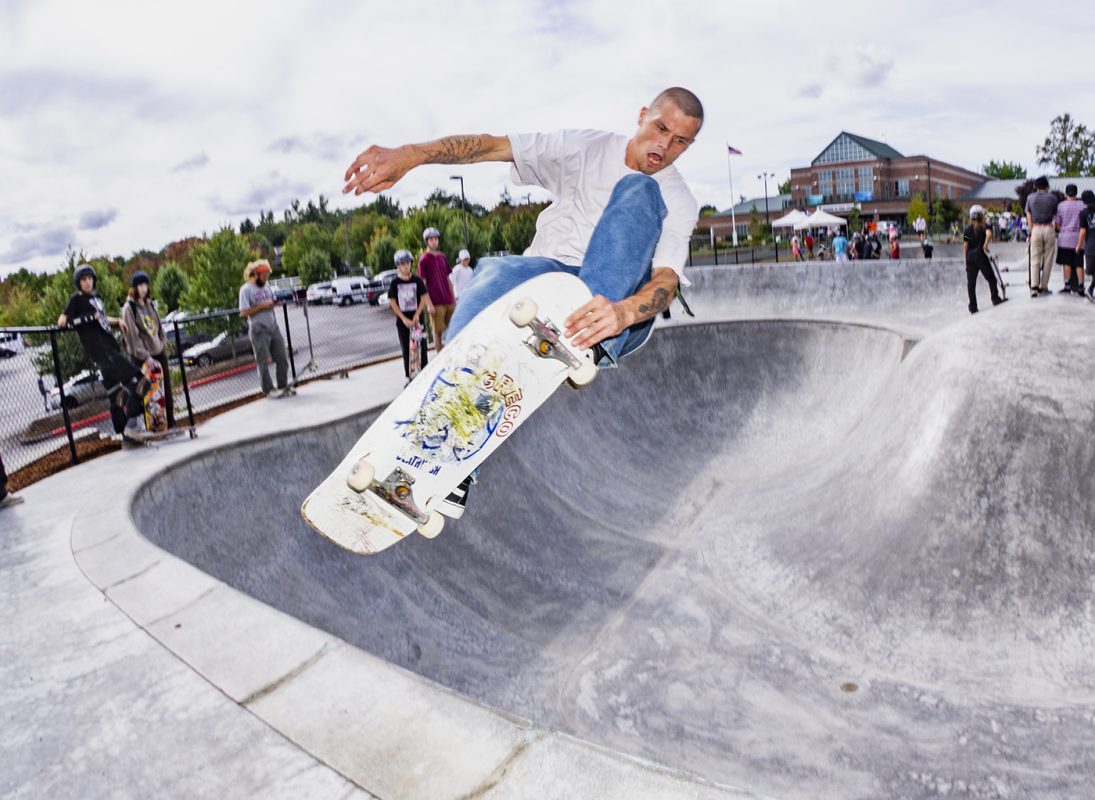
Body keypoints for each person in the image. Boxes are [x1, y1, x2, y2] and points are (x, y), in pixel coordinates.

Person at [343, 86, 703, 513]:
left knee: (641, 189)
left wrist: (623, 312)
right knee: (493, 274)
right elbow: (493, 146)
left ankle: (586, 342)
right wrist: (411, 155)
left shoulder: (678, 199)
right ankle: (451, 455)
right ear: (642, 115)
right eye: (660, 129)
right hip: (549, 281)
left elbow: (666, 280)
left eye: (680, 141)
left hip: (616, 310)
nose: (664, 146)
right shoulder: (584, 147)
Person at [56, 264, 147, 439]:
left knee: (117, 395)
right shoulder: (76, 300)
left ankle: (123, 435)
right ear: (78, 283)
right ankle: (132, 426)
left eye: (90, 279)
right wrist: (89, 317)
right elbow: (61, 322)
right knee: (142, 382)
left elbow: (101, 318)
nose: (88, 282)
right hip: (102, 353)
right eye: (84, 280)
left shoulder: (96, 298)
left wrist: (117, 321)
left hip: (110, 348)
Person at [121, 271, 175, 428]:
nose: (143, 288)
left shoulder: (150, 305)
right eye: (140, 285)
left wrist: (162, 344)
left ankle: (169, 422)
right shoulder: (129, 308)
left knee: (166, 390)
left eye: (145, 285)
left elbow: (159, 328)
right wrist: (146, 357)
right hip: (142, 358)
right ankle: (150, 426)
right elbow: (132, 336)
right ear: (134, 288)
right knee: (147, 393)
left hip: (158, 353)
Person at [239, 259, 294, 398]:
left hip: (273, 327)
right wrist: (261, 306)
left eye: (267, 276)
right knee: (262, 362)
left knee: (282, 358)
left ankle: (283, 386)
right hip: (259, 329)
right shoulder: (246, 289)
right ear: (256, 274)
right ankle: (269, 390)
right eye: (264, 276)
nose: (266, 279)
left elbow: (269, 301)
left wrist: (272, 304)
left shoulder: (267, 286)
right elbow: (243, 312)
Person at [388, 249, 429, 384]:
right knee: (407, 348)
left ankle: (424, 372)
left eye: (408, 263)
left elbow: (423, 298)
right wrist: (403, 318)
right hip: (403, 322)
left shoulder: (417, 280)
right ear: (398, 266)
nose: (406, 266)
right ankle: (409, 376)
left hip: (417, 321)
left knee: (421, 347)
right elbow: (393, 302)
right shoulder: (395, 283)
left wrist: (417, 314)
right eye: (403, 264)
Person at [418, 227, 455, 353]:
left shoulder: (442, 256)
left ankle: (453, 353)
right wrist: (429, 304)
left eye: (435, 239)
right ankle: (440, 355)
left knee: (453, 328)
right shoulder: (424, 259)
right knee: (438, 331)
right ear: (426, 241)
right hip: (436, 302)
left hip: (448, 299)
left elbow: (448, 279)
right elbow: (423, 284)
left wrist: (453, 297)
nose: (434, 241)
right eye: (431, 239)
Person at [963, 205, 1005, 314]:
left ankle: (973, 307)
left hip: (970, 258)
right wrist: (985, 245)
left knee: (971, 284)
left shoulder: (967, 229)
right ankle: (995, 299)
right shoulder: (983, 226)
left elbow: (965, 245)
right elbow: (989, 234)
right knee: (991, 278)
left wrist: (965, 259)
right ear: (980, 216)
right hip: (980, 256)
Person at [1025, 176, 1059, 297]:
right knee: (1048, 259)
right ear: (1047, 186)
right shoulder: (1053, 198)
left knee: (1035, 258)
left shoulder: (1030, 198)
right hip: (1049, 228)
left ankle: (1034, 286)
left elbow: (1029, 215)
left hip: (1036, 228)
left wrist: (1031, 230)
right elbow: (1055, 215)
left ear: (1036, 186)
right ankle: (1044, 286)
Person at [1054, 183, 1085, 294]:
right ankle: (1081, 286)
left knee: (1066, 263)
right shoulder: (1083, 205)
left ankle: (1067, 286)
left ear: (1066, 193)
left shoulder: (1061, 206)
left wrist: (1063, 229)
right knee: (1079, 263)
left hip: (1065, 238)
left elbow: (1057, 224)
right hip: (1079, 239)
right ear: (1076, 193)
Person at [1077, 189, 1095, 302]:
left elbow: (1083, 232)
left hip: (1090, 247)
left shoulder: (1083, 213)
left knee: (1093, 271)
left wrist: (1078, 246)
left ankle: (1090, 290)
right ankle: (1090, 289)